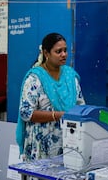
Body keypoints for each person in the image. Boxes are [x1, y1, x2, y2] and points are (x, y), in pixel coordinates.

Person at [16, 32, 85, 162]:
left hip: (68, 141)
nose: (64, 54)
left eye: (65, 50)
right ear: (46, 53)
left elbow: (81, 106)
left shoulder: (70, 76)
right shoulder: (35, 78)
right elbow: (25, 113)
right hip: (41, 143)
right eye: (58, 51)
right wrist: (56, 115)